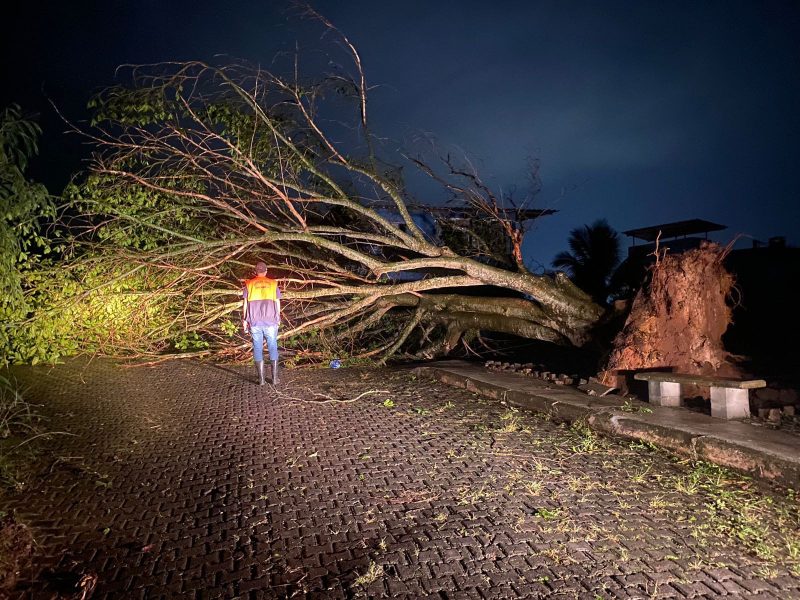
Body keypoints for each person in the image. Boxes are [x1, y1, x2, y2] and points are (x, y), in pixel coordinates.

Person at [242, 261, 281, 385]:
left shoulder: (249, 284)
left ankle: (261, 380)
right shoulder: (273, 284)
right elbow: (277, 303)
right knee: (273, 347)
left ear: (256, 271)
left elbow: (245, 304)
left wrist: (244, 320)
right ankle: (274, 379)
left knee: (257, 348)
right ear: (266, 270)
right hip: (270, 321)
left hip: (255, 321)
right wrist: (278, 317)